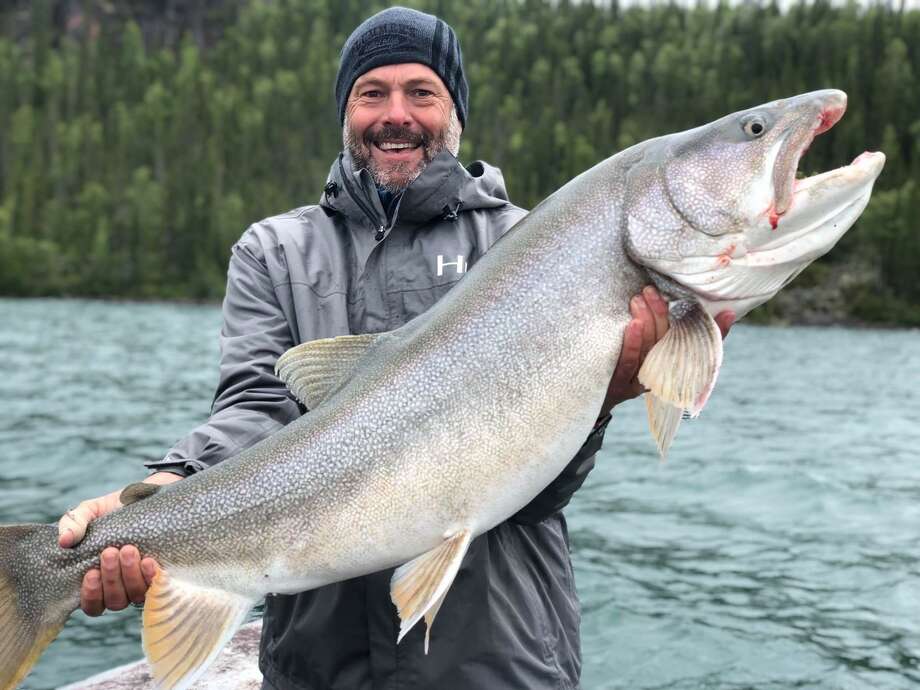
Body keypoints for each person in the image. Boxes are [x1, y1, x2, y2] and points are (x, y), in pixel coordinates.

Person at [58, 7, 733, 690]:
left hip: (497, 661)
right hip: (317, 667)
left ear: (454, 110)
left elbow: (536, 491)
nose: (396, 113)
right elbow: (255, 411)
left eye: (421, 92)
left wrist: (607, 393)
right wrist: (162, 490)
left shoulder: (531, 251)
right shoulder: (274, 253)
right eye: (372, 93)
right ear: (346, 111)